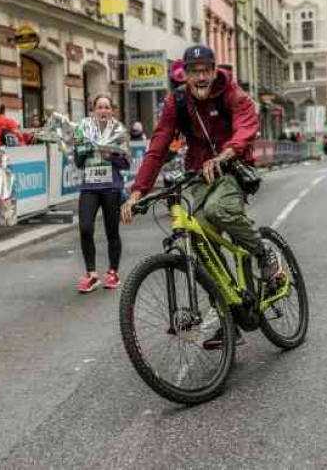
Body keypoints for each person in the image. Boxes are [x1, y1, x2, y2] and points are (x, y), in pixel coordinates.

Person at [121, 45, 282, 347]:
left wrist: (224, 155)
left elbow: (247, 126)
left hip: (233, 166)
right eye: (194, 72)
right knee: (200, 238)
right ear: (186, 75)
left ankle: (263, 252)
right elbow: (157, 148)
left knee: (218, 211)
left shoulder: (231, 92)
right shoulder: (176, 102)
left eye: (206, 70)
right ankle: (229, 315)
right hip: (198, 173)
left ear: (213, 69)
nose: (201, 77)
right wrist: (137, 192)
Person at [76, 94, 130, 293]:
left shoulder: (119, 131)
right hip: (89, 186)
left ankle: (113, 272)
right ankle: (91, 274)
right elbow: (79, 163)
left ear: (112, 111)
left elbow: (126, 163)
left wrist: (112, 156)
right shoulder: (84, 130)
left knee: (111, 231)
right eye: (100, 107)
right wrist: (82, 150)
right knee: (85, 228)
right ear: (93, 110)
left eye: (107, 107)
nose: (104, 110)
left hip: (111, 187)